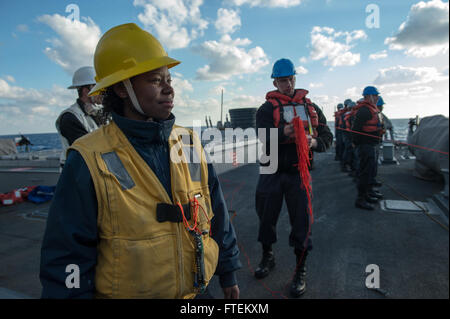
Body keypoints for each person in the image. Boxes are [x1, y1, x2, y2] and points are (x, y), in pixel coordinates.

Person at [40, 23, 241, 299]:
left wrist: (228, 271)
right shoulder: (87, 159)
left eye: (169, 79)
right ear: (122, 89)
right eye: (156, 80)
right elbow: (67, 258)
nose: (169, 89)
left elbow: (215, 210)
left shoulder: (189, 142)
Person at [254, 58, 332, 297]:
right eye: (282, 80)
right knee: (266, 216)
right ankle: (268, 255)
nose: (287, 84)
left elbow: (327, 136)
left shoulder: (312, 107)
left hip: (299, 171)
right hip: (271, 169)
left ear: (295, 79)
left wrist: (314, 141)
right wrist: (282, 132)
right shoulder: (266, 109)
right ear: (274, 82)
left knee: (302, 220)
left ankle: (300, 267)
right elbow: (262, 136)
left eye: (290, 79)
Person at [55, 66, 104, 169]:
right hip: (76, 172)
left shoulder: (98, 112)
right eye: (97, 87)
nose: (102, 92)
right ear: (86, 91)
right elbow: (89, 148)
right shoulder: (69, 117)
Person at [351, 86, 384, 210]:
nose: (377, 98)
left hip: (372, 145)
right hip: (365, 146)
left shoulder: (372, 109)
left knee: (370, 171)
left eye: (377, 95)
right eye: (375, 95)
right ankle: (361, 199)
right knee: (365, 173)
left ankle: (368, 193)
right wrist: (358, 144)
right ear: (368, 96)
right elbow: (356, 129)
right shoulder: (364, 110)